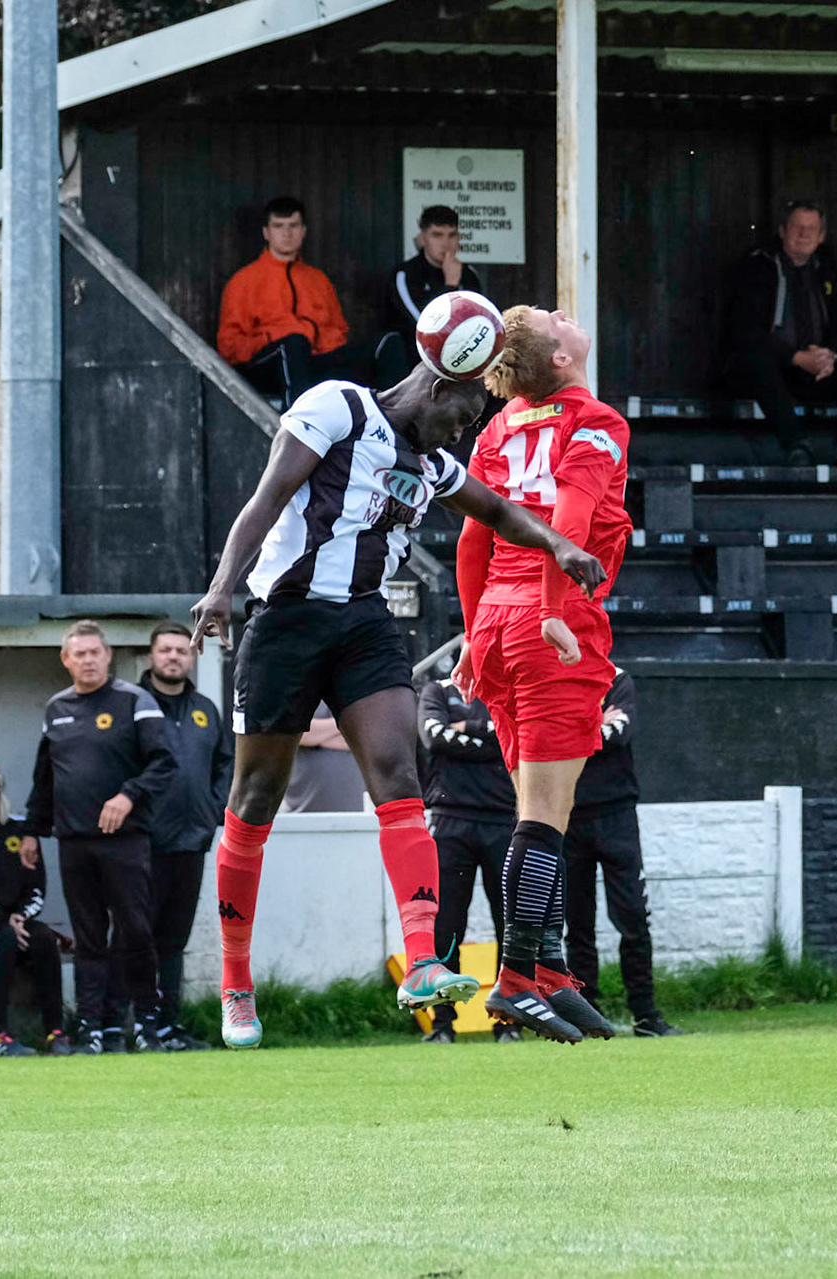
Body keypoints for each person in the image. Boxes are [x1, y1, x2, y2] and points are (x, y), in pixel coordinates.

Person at [189, 352, 605, 1050]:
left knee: (399, 774)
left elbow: (499, 510)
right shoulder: (338, 407)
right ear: (437, 388)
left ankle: (421, 962)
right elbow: (265, 498)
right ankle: (236, 982)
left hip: (365, 624)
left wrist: (558, 545)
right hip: (286, 618)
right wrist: (222, 586)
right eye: (462, 417)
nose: (461, 435)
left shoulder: (432, 464)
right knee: (255, 796)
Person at [455, 305, 632, 1044]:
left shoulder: (499, 427)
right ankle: (516, 978)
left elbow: (473, 537)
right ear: (560, 359)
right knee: (545, 816)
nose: (566, 313)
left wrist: (473, 637)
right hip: (550, 620)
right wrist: (558, 611)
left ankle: (551, 969)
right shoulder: (595, 420)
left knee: (537, 808)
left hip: (498, 620)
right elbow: (573, 519)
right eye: (557, 320)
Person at [23, 620, 178, 1055]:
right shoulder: (56, 708)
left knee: (136, 932)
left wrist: (129, 795)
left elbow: (165, 762)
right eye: (80, 654)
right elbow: (45, 778)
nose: (88, 660)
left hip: (125, 841)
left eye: (95, 652)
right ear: (66, 659)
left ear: (108, 656)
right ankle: (90, 1028)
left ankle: (145, 1024)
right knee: (88, 937)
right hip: (74, 841)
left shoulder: (134, 700)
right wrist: (33, 829)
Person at [129, 622, 232, 1051]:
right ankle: (135, 1025)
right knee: (139, 938)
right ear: (151, 656)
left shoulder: (205, 709)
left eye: (181, 651)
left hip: (192, 842)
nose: (174, 657)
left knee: (174, 941)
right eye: (166, 650)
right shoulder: (132, 704)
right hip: (142, 843)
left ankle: (169, 1026)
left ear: (191, 658)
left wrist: (212, 810)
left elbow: (225, 765)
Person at [562, 669, 678, 1039]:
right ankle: (587, 1014)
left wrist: (572, 729)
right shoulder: (555, 679)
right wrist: (595, 722)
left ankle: (645, 1015)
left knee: (633, 917)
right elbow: (552, 737)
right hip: (568, 816)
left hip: (617, 816)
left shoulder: (617, 680)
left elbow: (618, 734)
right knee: (578, 924)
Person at [723, 200, 837, 466]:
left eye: (812, 229)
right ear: (782, 231)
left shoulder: (829, 268)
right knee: (754, 357)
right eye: (797, 227)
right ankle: (796, 444)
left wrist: (831, 356)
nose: (804, 234)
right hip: (776, 369)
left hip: (820, 369)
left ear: (821, 236)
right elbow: (745, 329)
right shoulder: (756, 267)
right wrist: (795, 357)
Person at [416, 675, 520, 1045]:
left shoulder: (506, 691)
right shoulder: (437, 691)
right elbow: (433, 737)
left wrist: (465, 729)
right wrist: (490, 737)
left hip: (503, 822)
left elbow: (516, 736)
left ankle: (508, 1021)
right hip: (450, 822)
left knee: (510, 925)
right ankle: (443, 1023)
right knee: (446, 924)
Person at [0, 757, 73, 1057]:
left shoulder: (20, 830)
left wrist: (22, 916)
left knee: (43, 937)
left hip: (15, 921)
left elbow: (37, 887)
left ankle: (56, 1033)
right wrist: (2, 919)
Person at [217, 195, 362, 406]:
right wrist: (279, 336)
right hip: (266, 367)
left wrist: (314, 340)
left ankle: (393, 420)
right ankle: (298, 423)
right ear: (266, 232)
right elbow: (229, 347)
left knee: (385, 344)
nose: (287, 233)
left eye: (293, 226)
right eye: (278, 226)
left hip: (315, 360)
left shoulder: (318, 280)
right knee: (294, 343)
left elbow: (339, 332)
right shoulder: (244, 281)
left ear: (303, 231)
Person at [377, 205, 487, 384]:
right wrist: (450, 285)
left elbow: (480, 321)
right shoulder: (405, 275)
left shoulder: (469, 275)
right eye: (437, 235)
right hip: (412, 368)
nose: (446, 243)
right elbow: (425, 323)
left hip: (461, 362)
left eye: (452, 235)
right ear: (422, 238)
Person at [280, 702, 367, 814]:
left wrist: (313, 733)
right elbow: (285, 730)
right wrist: (348, 723)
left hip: (361, 812)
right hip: (299, 810)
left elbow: (369, 734)